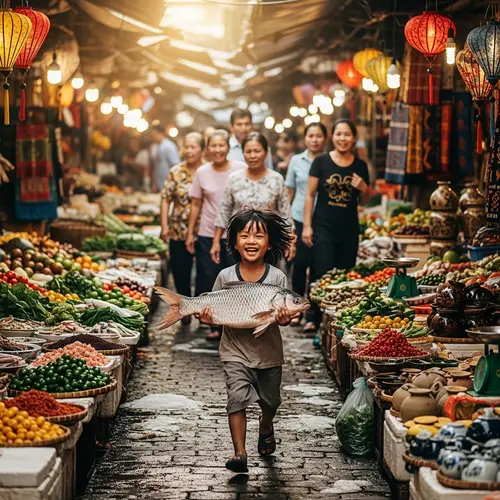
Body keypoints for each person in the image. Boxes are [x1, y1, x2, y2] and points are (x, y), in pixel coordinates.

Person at [197, 208, 298, 473]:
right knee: (237, 398)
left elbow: (280, 319)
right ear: (234, 243)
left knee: (271, 401)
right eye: (244, 236)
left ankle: (266, 425)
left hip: (269, 354)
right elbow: (214, 312)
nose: (251, 241)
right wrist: (207, 318)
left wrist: (285, 317)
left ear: (269, 244)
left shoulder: (277, 278)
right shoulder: (224, 277)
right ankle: (240, 453)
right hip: (234, 352)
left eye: (259, 236)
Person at [302, 119, 370, 334]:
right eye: (339, 134)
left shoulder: (360, 166)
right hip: (323, 226)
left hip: (349, 230)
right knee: (321, 273)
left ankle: (336, 325)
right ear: (333, 137)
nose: (342, 138)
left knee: (344, 278)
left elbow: (366, 200)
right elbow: (310, 195)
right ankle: (314, 317)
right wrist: (306, 226)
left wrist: (363, 187)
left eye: (347, 134)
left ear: (353, 138)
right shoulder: (321, 162)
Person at [186, 129, 246, 339]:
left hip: (236, 235)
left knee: (235, 280)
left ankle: (233, 323)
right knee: (209, 277)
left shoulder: (240, 169)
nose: (218, 150)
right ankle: (215, 326)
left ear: (228, 147)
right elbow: (196, 204)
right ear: (208, 148)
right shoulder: (202, 172)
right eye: (214, 146)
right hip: (206, 232)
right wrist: (190, 233)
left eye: (222, 145)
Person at [211, 132, 296, 265]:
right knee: (237, 283)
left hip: (268, 244)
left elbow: (285, 212)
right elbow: (224, 211)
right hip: (238, 244)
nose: (252, 156)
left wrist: (291, 242)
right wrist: (216, 241)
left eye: (257, 151)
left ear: (265, 152)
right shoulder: (234, 178)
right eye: (248, 151)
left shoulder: (276, 179)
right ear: (243, 153)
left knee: (268, 283)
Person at [285, 122, 327, 326]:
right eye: (311, 136)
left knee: (318, 267)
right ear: (305, 139)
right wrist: (287, 223)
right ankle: (296, 310)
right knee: (299, 265)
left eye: (319, 136)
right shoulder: (296, 161)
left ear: (324, 139)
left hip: (322, 219)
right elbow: (289, 192)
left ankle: (313, 315)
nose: (315, 139)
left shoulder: (329, 160)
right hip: (299, 217)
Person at [160, 132, 205, 325]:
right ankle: (183, 309)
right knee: (180, 271)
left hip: (204, 230)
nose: (189, 151)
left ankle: (201, 309)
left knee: (204, 272)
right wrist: (164, 226)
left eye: (193, 147)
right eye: (186, 146)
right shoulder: (175, 171)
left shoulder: (208, 171)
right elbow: (165, 198)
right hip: (178, 230)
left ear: (202, 149)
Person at [151, 124, 180, 193]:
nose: (152, 137)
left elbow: (176, 165)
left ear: (159, 133)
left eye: (153, 134)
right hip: (160, 184)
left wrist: (172, 183)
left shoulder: (169, 146)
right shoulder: (159, 146)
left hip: (168, 185)